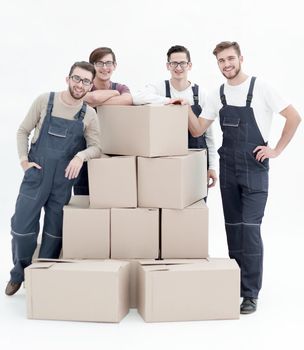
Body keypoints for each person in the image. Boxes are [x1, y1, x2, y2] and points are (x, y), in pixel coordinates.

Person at [187, 41, 301, 314]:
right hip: (228, 169)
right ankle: (237, 285)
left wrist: (276, 150)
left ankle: (251, 293)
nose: (226, 64)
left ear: (240, 58)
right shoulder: (217, 94)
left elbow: (294, 117)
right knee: (234, 228)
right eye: (221, 61)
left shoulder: (261, 88)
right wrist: (183, 107)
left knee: (250, 229)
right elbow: (198, 129)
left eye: (230, 59)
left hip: (255, 168)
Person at [5, 61, 102, 296]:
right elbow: (22, 131)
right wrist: (23, 161)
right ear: (67, 79)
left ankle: (42, 278)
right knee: (21, 227)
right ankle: (19, 273)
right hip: (36, 174)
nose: (80, 85)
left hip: (62, 180)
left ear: (90, 85)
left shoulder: (88, 114)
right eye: (77, 79)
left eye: (86, 81)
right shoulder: (45, 101)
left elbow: (97, 147)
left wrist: (81, 156)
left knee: (54, 231)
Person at [132, 45, 217, 191]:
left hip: (197, 160)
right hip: (167, 158)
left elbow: (209, 135)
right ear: (168, 66)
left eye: (182, 63)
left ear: (189, 65)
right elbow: (136, 97)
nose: (178, 67)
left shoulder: (201, 94)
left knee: (196, 202)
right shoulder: (160, 87)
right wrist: (168, 101)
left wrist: (212, 166)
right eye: (174, 63)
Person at [74, 47, 133, 195]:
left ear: (115, 65)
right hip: (84, 151)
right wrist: (113, 94)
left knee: (111, 196)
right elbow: (92, 98)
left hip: (113, 150)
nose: (105, 68)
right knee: (85, 198)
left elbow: (128, 99)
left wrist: (98, 101)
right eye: (99, 63)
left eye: (108, 63)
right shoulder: (84, 85)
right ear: (92, 66)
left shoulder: (121, 87)